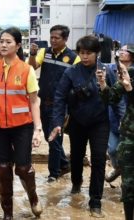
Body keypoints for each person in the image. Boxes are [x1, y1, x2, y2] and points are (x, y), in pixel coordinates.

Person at [0, 27, 43, 219]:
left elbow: (34, 100)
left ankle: (33, 196)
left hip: (21, 126)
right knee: (2, 169)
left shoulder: (26, 70)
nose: (3, 45)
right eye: (1, 41)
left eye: (8, 41)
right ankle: (8, 213)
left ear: (17, 45)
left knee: (23, 168)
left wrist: (37, 129)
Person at [49, 35, 109, 217]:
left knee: (98, 160)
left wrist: (104, 84)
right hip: (77, 122)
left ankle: (95, 201)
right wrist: (57, 123)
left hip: (100, 123)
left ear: (97, 53)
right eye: (81, 53)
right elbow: (59, 97)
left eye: (88, 53)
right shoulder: (71, 72)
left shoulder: (106, 71)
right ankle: (76, 182)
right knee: (76, 156)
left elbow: (114, 98)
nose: (84, 57)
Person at [28, 25, 81, 183]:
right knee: (48, 136)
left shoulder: (74, 58)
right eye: (51, 37)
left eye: (56, 38)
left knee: (54, 139)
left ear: (65, 39)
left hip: (60, 105)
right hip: (43, 102)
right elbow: (31, 67)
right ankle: (64, 164)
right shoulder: (45, 52)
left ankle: (54, 173)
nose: (53, 40)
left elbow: (77, 82)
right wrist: (32, 54)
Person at [97, 56, 134, 220]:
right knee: (128, 185)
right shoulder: (130, 73)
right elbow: (111, 99)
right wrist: (103, 84)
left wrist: (130, 90)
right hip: (130, 137)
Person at [105, 44, 134, 183]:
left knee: (127, 152)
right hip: (114, 116)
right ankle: (118, 168)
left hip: (130, 119)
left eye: (125, 51)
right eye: (120, 50)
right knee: (112, 149)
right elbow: (111, 96)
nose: (121, 53)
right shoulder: (111, 70)